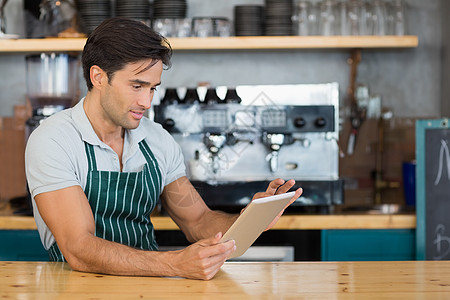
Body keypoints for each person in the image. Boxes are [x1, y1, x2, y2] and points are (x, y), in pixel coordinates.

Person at [25, 17, 302, 280]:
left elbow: (198, 221)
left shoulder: (156, 139)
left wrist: (249, 219)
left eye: (153, 88)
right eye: (137, 86)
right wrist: (174, 263)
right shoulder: (53, 140)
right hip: (78, 290)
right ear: (98, 77)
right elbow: (80, 249)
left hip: (148, 285)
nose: (146, 102)